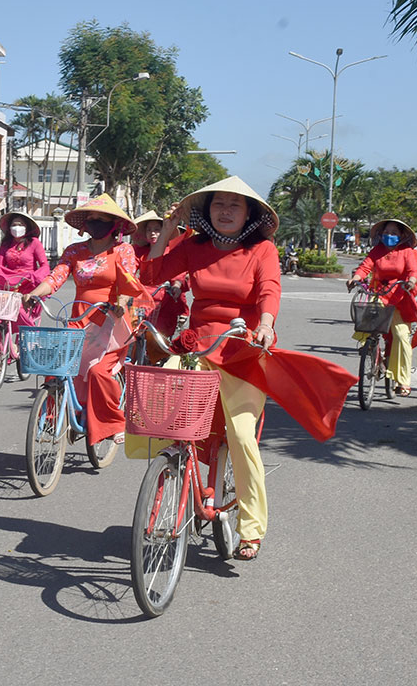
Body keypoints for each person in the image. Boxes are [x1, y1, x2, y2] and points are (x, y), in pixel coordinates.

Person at [142, 176, 355, 561]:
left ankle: (251, 529)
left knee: (241, 436)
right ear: (207, 211)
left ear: (249, 214)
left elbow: (270, 290)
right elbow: (150, 277)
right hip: (197, 345)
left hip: (242, 348)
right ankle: (170, 482)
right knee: (164, 419)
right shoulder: (193, 246)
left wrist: (267, 325)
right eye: (218, 204)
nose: (225, 211)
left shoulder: (263, 250)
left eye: (234, 206)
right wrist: (168, 232)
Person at [24, 194, 146, 447]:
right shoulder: (75, 251)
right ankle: (54, 415)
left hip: (111, 319)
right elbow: (57, 276)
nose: (95, 224)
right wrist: (35, 293)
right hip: (78, 317)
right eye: (91, 220)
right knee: (56, 368)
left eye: (101, 220)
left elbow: (128, 280)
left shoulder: (123, 250)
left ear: (114, 224)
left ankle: (113, 422)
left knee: (99, 372)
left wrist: (122, 303)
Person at [347, 218, 417, 397]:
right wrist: (356, 278)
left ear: (401, 236)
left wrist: (411, 282)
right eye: (386, 233)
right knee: (366, 324)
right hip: (380, 294)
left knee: (401, 336)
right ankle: (372, 350)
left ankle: (403, 381)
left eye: (393, 233)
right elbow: (365, 267)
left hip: (400, 296)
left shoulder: (407, 252)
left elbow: (413, 272)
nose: (389, 236)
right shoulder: (377, 251)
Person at [0, 212, 50, 348]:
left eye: (20, 224)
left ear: (27, 227)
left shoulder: (34, 243)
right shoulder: (6, 243)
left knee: (18, 308)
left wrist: (35, 276)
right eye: (14, 224)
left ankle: (27, 336)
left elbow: (45, 265)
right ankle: (1, 345)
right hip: (9, 280)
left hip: (27, 283)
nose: (16, 227)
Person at [132, 210, 189, 340]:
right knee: (135, 333)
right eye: (149, 230)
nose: (153, 233)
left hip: (163, 301)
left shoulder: (171, 252)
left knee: (159, 338)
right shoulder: (138, 252)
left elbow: (178, 274)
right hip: (141, 299)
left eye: (157, 229)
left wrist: (176, 285)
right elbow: (129, 269)